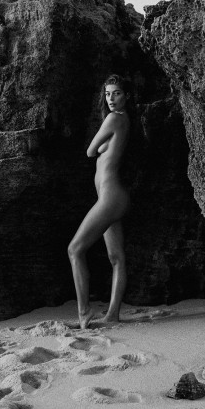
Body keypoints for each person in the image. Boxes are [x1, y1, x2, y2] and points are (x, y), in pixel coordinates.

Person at [68, 74, 132, 329]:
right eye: (107, 94)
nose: (111, 99)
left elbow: (90, 150)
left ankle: (84, 313)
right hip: (116, 197)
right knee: (117, 258)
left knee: (75, 249)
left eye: (117, 93)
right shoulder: (125, 120)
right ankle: (113, 314)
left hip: (110, 197)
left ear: (127, 96)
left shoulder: (114, 118)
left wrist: (101, 146)